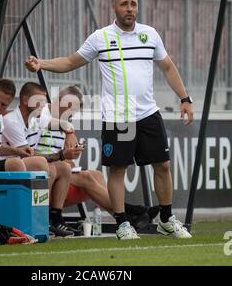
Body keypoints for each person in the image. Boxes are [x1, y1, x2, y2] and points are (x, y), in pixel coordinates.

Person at [25, 0, 193, 240]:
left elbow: (167, 66)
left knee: (163, 165)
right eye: (124, 4)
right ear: (114, 8)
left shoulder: (150, 34)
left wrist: (184, 98)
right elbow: (71, 62)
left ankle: (167, 219)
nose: (130, 8)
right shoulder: (101, 37)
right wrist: (42, 64)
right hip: (117, 116)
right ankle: (123, 223)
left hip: (148, 112)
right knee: (117, 169)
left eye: (133, 4)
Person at [35, 85, 159, 229]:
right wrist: (68, 132)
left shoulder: (65, 124)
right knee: (86, 177)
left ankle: (123, 220)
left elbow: (66, 159)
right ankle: (129, 211)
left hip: (58, 169)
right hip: (43, 167)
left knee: (97, 175)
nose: (72, 115)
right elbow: (43, 129)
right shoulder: (42, 113)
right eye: (72, 110)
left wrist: (71, 155)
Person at [0, 82, 83, 237]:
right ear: (26, 101)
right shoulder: (12, 120)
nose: (44, 106)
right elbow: (27, 155)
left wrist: (70, 130)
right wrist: (60, 156)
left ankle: (56, 218)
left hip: (23, 164)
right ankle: (40, 219)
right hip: (8, 166)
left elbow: (61, 123)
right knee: (43, 164)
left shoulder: (35, 119)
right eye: (40, 102)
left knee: (64, 167)